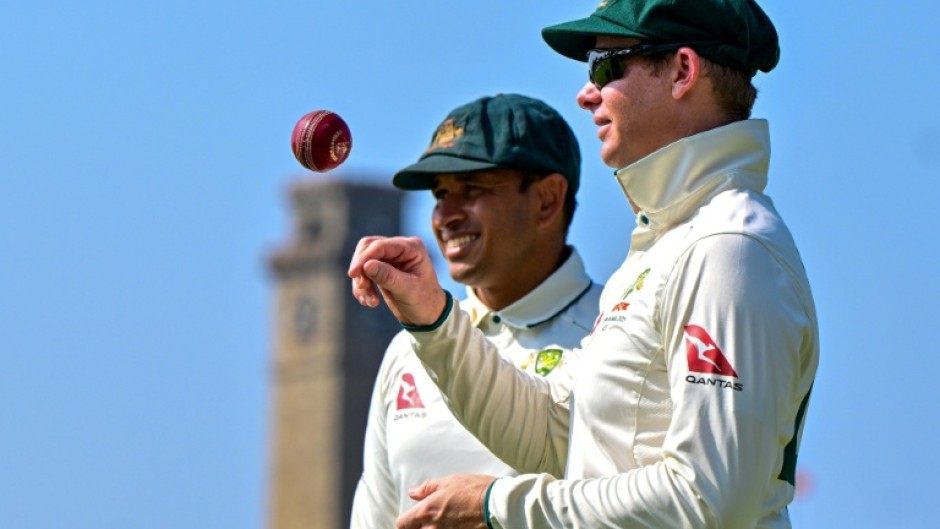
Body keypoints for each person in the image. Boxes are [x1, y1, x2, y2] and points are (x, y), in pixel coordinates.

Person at [349, 0, 820, 527]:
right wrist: (433, 320)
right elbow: (556, 432)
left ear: (683, 71)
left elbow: (707, 499)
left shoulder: (728, 245)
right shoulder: (670, 246)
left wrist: (497, 506)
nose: (585, 92)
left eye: (605, 65)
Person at [349, 93, 603, 529]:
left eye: (472, 190)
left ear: (547, 199)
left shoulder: (618, 324)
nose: (444, 215)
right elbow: (374, 517)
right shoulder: (408, 350)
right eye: (440, 193)